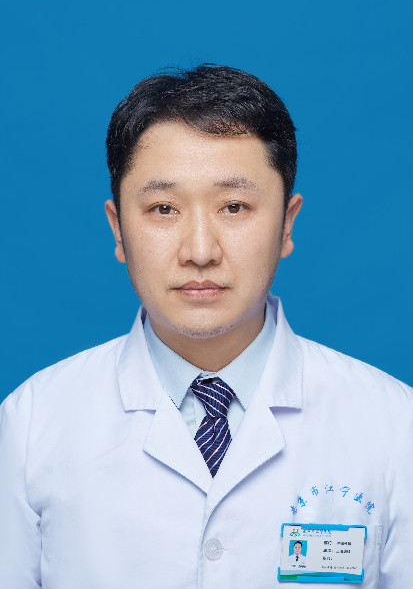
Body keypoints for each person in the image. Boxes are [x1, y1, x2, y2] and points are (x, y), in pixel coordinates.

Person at [0, 64, 412, 588]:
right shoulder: (32, 426)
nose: (199, 251)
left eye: (233, 207)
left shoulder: (394, 426)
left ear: (287, 223)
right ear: (118, 228)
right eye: (163, 208)